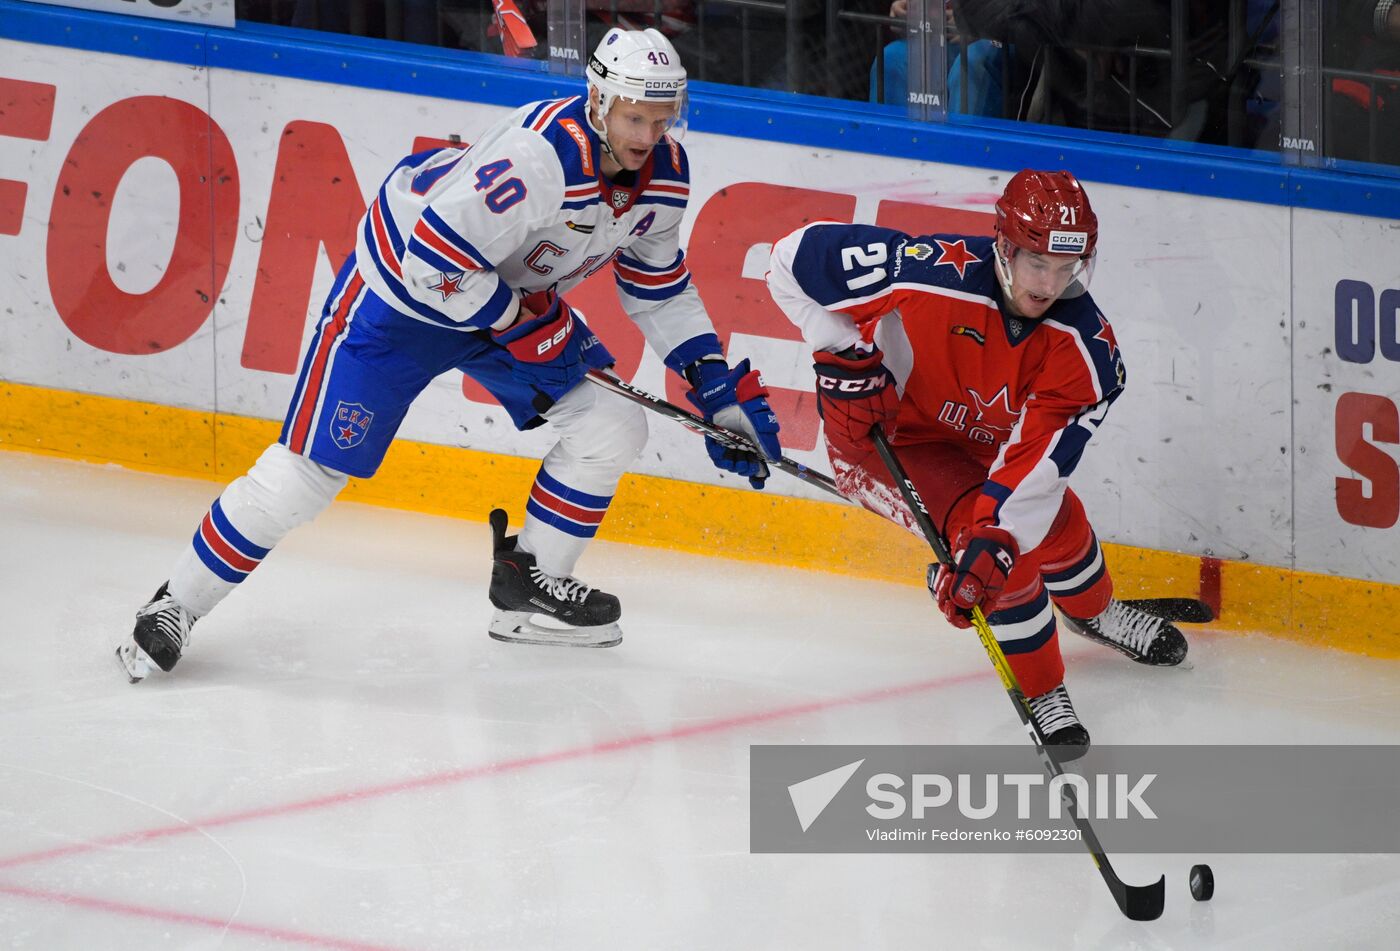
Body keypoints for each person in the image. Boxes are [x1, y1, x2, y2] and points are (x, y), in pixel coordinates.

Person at [116, 27, 782, 681]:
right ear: (600, 101)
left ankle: (533, 581)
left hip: (509, 298)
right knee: (310, 472)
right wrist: (516, 321)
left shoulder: (664, 175)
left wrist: (715, 390)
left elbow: (658, 285)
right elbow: (431, 257)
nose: (647, 137)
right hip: (403, 296)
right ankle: (176, 603)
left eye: (662, 121)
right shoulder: (540, 159)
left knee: (612, 425)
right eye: (636, 117)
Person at [765, 169, 1186, 761]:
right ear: (1005, 246)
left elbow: (1039, 465)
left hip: (982, 454)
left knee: (1053, 524)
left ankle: (1098, 613)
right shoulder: (924, 269)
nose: (1052, 283)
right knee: (994, 557)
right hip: (888, 443)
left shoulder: (1087, 353)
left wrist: (999, 532)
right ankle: (1045, 692)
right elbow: (788, 261)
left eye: (1069, 269)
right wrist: (839, 349)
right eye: (1039, 263)